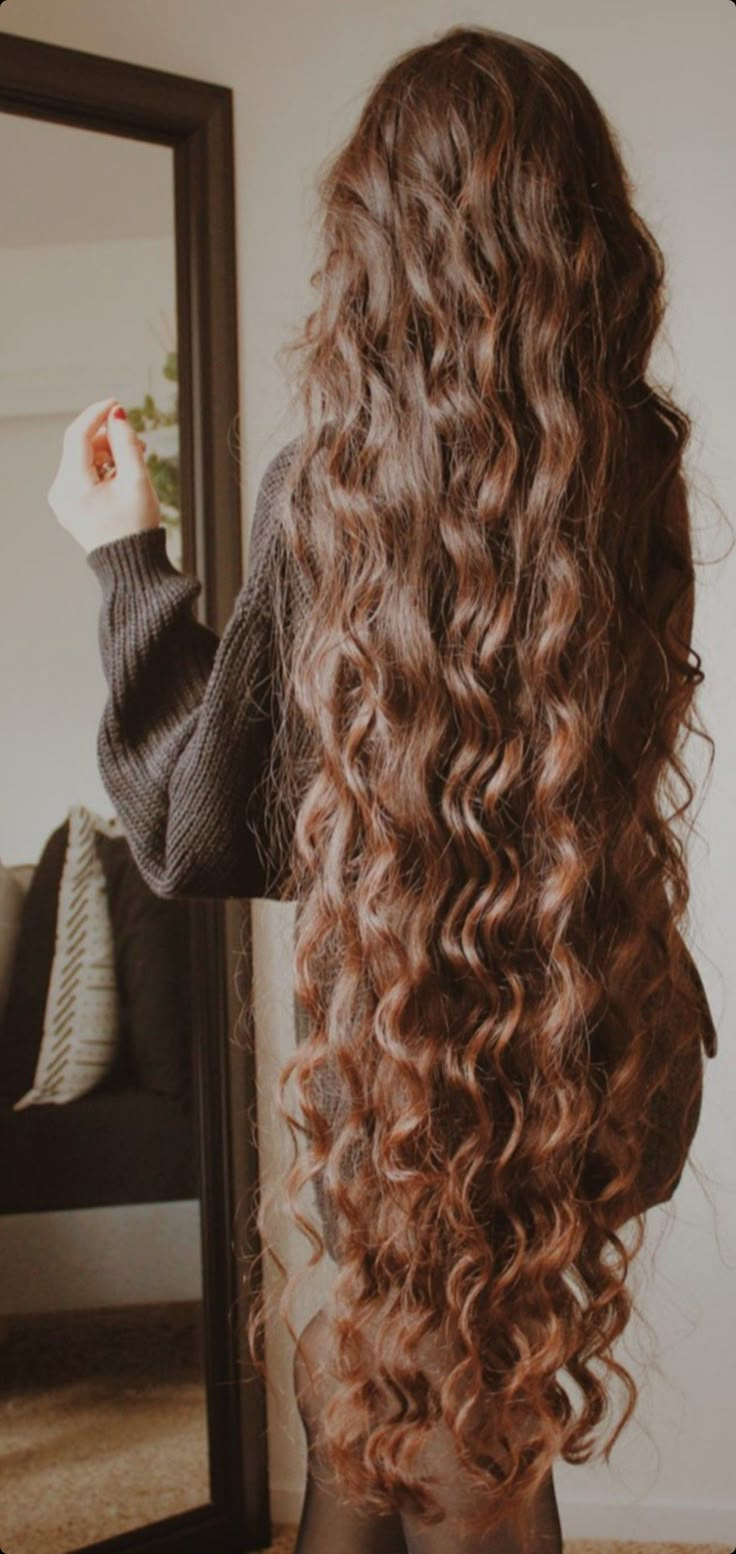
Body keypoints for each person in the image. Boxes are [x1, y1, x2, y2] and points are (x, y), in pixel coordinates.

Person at [47, 24, 718, 1554]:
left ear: (375, 255)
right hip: (598, 1053)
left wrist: (125, 559)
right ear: (585, 241)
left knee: (427, 1418)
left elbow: (200, 828)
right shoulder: (639, 473)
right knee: (402, 1401)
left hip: (413, 1069)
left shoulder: (333, 487)